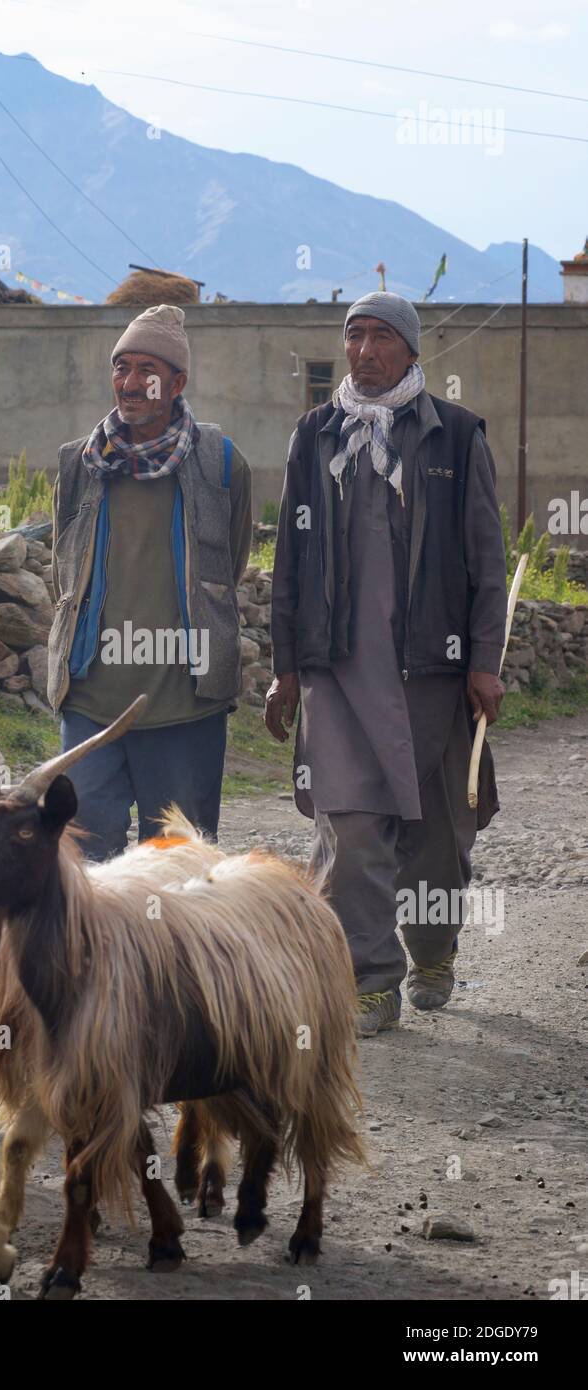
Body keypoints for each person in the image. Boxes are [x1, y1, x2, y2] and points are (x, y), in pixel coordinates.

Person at [266, 291, 507, 1037]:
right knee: (353, 828)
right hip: (335, 667)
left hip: (428, 670)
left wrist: (484, 659)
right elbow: (289, 560)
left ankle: (433, 947)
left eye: (380, 338)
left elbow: (486, 561)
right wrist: (286, 667)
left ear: (411, 352)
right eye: (354, 336)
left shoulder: (456, 436)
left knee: (437, 835)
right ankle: (370, 980)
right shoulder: (315, 436)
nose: (364, 350)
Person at [47, 303, 252, 860]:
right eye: (121, 367)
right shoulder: (79, 464)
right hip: (91, 699)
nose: (130, 384)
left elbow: (227, 570)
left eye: (147, 371)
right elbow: (64, 570)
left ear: (178, 382)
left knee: (178, 866)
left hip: (185, 703)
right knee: (87, 863)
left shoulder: (221, 464)